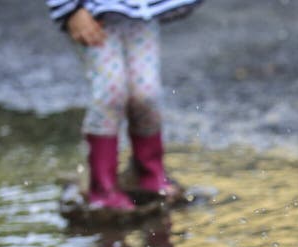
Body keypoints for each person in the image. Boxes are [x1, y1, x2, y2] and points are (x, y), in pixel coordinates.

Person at [46, 0, 201, 212]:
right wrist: (70, 10)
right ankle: (102, 185)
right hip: (93, 14)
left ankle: (148, 172)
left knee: (146, 93)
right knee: (111, 92)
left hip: (141, 11)